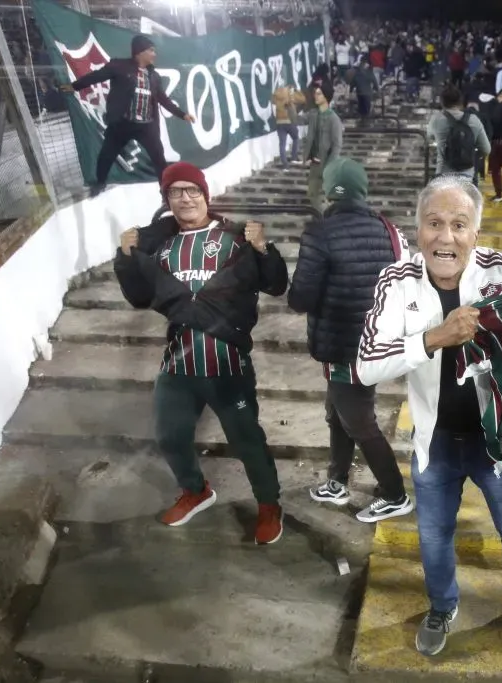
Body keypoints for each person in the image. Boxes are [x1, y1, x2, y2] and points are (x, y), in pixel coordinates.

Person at [356, 175, 502, 663]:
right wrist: (434, 338)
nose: (445, 238)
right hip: (436, 441)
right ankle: (442, 607)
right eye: (434, 224)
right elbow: (365, 365)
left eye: (459, 225)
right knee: (432, 536)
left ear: (476, 232)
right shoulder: (396, 279)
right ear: (418, 229)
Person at [113, 162, 288, 543]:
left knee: (247, 440)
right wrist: (126, 259)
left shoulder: (236, 236)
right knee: (169, 434)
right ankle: (196, 490)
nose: (185, 198)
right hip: (178, 362)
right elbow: (140, 297)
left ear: (205, 195)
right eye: (175, 192)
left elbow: (276, 283)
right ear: (167, 200)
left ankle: (269, 505)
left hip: (227, 363)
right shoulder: (159, 243)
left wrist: (264, 249)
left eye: (192, 190)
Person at [288, 157, 414, 522]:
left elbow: (301, 299)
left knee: (358, 421)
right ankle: (337, 481)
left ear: (329, 190)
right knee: (337, 413)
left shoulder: (320, 232)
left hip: (342, 347)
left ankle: (394, 494)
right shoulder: (389, 229)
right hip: (378, 343)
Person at [60, 35, 196, 197]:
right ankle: (100, 183)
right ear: (139, 52)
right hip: (121, 124)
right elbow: (96, 76)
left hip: (146, 127)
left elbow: (163, 100)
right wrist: (74, 87)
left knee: (159, 158)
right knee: (106, 155)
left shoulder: (154, 77)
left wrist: (182, 114)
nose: (154, 54)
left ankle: (165, 189)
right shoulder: (119, 66)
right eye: (151, 50)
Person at [427, 85, 491, 180]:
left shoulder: (436, 119)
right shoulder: (474, 120)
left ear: (442, 102)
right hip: (467, 176)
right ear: (461, 101)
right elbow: (486, 149)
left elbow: (430, 137)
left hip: (443, 173)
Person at [302, 83, 343, 214]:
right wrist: (289, 106)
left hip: (327, 163)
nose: (316, 96)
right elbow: (298, 120)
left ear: (326, 97)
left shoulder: (334, 119)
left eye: (319, 93)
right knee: (312, 194)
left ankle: (327, 220)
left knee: (325, 196)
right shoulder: (314, 114)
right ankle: (321, 219)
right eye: (316, 93)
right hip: (315, 163)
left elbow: (337, 145)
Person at [271, 84, 304, 168]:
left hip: (279, 122)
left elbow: (273, 106)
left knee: (282, 144)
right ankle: (294, 157)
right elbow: (303, 100)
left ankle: (285, 165)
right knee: (296, 138)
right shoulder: (290, 94)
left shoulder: (276, 95)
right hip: (290, 120)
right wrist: (297, 90)